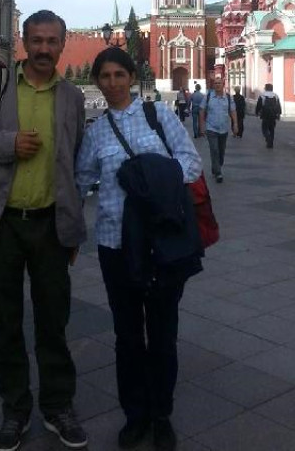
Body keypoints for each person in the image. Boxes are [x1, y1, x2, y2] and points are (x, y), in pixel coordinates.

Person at [0, 9, 88, 451]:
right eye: (37, 40)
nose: (44, 48)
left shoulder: (72, 97)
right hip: (3, 225)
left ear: (63, 44)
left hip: (50, 225)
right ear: (23, 44)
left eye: (52, 41)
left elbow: (74, 164)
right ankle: (15, 410)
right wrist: (7, 144)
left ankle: (57, 406)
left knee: (54, 322)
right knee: (5, 322)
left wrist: (72, 229)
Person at [76, 48, 202, 451]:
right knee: (127, 335)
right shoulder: (96, 132)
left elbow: (191, 162)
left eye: (119, 74)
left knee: (163, 334)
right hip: (115, 243)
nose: (112, 82)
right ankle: (135, 415)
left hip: (161, 243)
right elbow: (81, 180)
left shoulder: (158, 115)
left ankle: (161, 414)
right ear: (97, 81)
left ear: (132, 77)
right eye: (105, 76)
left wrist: (151, 177)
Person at [198, 77, 237, 183]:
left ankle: (215, 167)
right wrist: (202, 126)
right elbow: (202, 110)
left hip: (224, 129)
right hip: (211, 128)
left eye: (219, 83)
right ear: (213, 85)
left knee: (221, 151)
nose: (217, 85)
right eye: (215, 83)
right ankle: (218, 172)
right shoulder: (208, 96)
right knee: (214, 149)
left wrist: (235, 124)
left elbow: (233, 111)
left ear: (223, 84)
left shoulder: (228, 97)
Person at [255, 83, 282, 149]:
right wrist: (279, 114)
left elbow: (259, 105)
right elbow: (278, 105)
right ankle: (271, 143)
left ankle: (268, 137)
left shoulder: (262, 95)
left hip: (265, 114)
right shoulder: (275, 95)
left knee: (264, 128)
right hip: (273, 115)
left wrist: (257, 112)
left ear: (266, 88)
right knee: (272, 129)